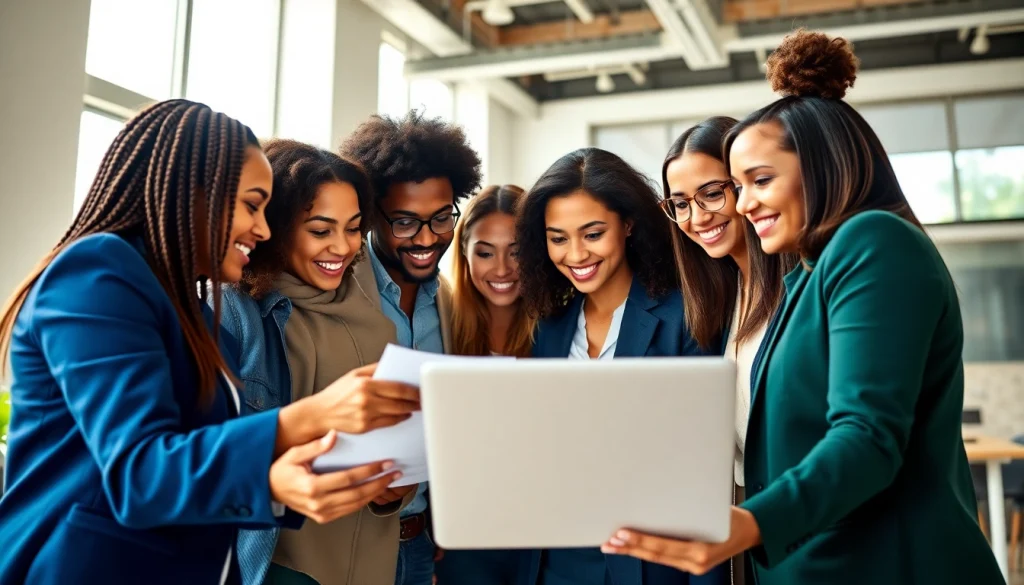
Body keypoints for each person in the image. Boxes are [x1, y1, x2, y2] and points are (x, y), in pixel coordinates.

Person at [600, 30, 1003, 585]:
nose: (744, 204)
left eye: (759, 180)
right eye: (737, 186)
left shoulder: (874, 241)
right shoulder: (806, 280)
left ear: (822, 163)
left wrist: (748, 523)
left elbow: (866, 437)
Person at [0, 100, 404, 585]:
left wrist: (288, 483)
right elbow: (140, 471)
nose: (263, 228)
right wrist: (314, 416)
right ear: (193, 194)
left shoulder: (196, 313)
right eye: (252, 205)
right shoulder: (100, 270)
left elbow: (191, 461)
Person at [515, 147, 727, 585]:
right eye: (558, 238)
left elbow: (701, 474)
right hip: (556, 562)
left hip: (649, 564)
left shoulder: (683, 320)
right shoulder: (548, 330)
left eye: (592, 234)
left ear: (628, 225)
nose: (575, 254)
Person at [219, 139, 420, 585]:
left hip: (370, 561)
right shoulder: (238, 310)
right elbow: (213, 453)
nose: (342, 247)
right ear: (279, 226)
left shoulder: (375, 317)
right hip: (281, 565)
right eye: (320, 229)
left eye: (352, 229)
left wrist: (396, 490)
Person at [341, 110, 483, 585]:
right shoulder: (337, 291)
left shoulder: (446, 302)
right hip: (348, 546)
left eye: (442, 218)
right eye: (404, 223)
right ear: (370, 214)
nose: (427, 239)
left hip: (420, 547)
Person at [659, 117, 795, 584]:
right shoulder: (725, 303)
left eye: (712, 193)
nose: (697, 218)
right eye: (680, 204)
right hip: (759, 544)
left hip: (814, 531)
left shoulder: (801, 288)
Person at [433, 185, 534, 585]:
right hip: (464, 538)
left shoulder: (562, 332)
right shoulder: (440, 330)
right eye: (485, 252)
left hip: (540, 533)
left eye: (517, 250)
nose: (502, 268)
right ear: (464, 254)